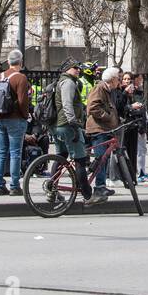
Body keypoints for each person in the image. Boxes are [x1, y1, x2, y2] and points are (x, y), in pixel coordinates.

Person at [0, 50, 32, 196]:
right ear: (21, 61)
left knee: (1, 152)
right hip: (15, 119)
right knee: (15, 153)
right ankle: (14, 185)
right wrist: (26, 116)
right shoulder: (21, 78)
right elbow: (22, 101)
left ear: (8, 61)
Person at [52, 57, 93, 202]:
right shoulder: (68, 82)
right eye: (75, 68)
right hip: (67, 126)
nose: (78, 70)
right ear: (67, 69)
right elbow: (67, 104)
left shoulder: (63, 81)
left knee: (61, 157)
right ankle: (88, 195)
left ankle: (52, 191)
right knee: (80, 160)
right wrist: (74, 123)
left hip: (60, 126)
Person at [85, 66, 123, 204]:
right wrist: (107, 116)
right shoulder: (99, 88)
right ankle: (99, 187)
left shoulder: (108, 90)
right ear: (112, 79)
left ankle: (102, 186)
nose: (119, 81)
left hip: (105, 129)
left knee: (104, 158)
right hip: (98, 129)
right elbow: (92, 107)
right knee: (100, 158)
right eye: (118, 78)